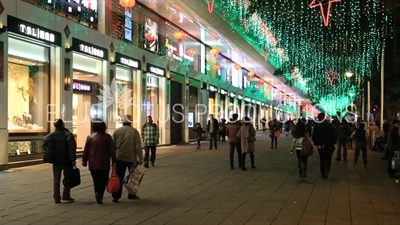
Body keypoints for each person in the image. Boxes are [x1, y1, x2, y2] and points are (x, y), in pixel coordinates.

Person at [42, 119, 77, 204]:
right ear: (63, 125)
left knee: (56, 179)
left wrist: (49, 152)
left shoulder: (50, 135)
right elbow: (71, 148)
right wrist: (73, 159)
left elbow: (44, 145)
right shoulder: (68, 134)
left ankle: (56, 197)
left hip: (56, 160)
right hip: (66, 159)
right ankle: (66, 195)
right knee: (67, 178)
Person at [82, 121, 116, 204]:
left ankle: (97, 194)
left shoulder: (90, 137)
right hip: (104, 162)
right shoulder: (107, 137)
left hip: (93, 163)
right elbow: (111, 150)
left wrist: (84, 160)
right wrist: (114, 160)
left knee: (95, 180)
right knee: (104, 179)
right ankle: (99, 193)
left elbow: (86, 150)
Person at [112, 115, 143, 202]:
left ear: (123, 121)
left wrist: (112, 158)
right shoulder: (134, 132)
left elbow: (112, 145)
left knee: (119, 177)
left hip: (119, 157)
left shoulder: (117, 131)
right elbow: (138, 146)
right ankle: (131, 194)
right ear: (131, 122)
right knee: (133, 178)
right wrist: (140, 158)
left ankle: (116, 196)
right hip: (131, 158)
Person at [312, 113, 337, 179]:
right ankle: (327, 169)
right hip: (329, 145)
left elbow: (314, 136)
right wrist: (333, 142)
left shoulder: (317, 126)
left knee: (322, 159)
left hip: (320, 145)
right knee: (328, 158)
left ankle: (323, 172)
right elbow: (334, 134)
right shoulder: (330, 125)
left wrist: (316, 143)